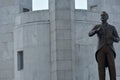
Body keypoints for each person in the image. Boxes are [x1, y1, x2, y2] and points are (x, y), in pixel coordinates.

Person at [88, 11, 119, 80]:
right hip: (100, 49)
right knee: (101, 68)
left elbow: (118, 39)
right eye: (101, 16)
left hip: (110, 49)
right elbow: (89, 34)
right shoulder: (97, 26)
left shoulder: (112, 27)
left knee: (112, 68)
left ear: (107, 17)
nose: (102, 17)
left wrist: (112, 38)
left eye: (104, 16)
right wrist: (96, 31)